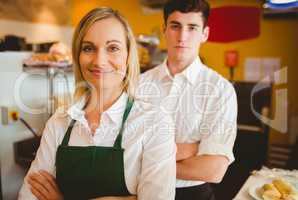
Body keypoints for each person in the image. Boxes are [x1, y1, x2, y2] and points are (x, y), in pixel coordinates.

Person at [18, 7, 176, 200]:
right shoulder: (59, 122)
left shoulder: (155, 122)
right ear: (78, 56)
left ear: (128, 56)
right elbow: (28, 195)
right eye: (88, 48)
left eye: (113, 48)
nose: (99, 61)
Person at [137, 0, 237, 199]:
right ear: (165, 30)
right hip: (139, 192)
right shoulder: (138, 84)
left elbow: (214, 170)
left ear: (205, 34)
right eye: (175, 26)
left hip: (193, 194)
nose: (182, 36)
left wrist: (147, 160)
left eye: (192, 28)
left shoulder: (220, 90)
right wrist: (195, 149)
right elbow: (122, 151)